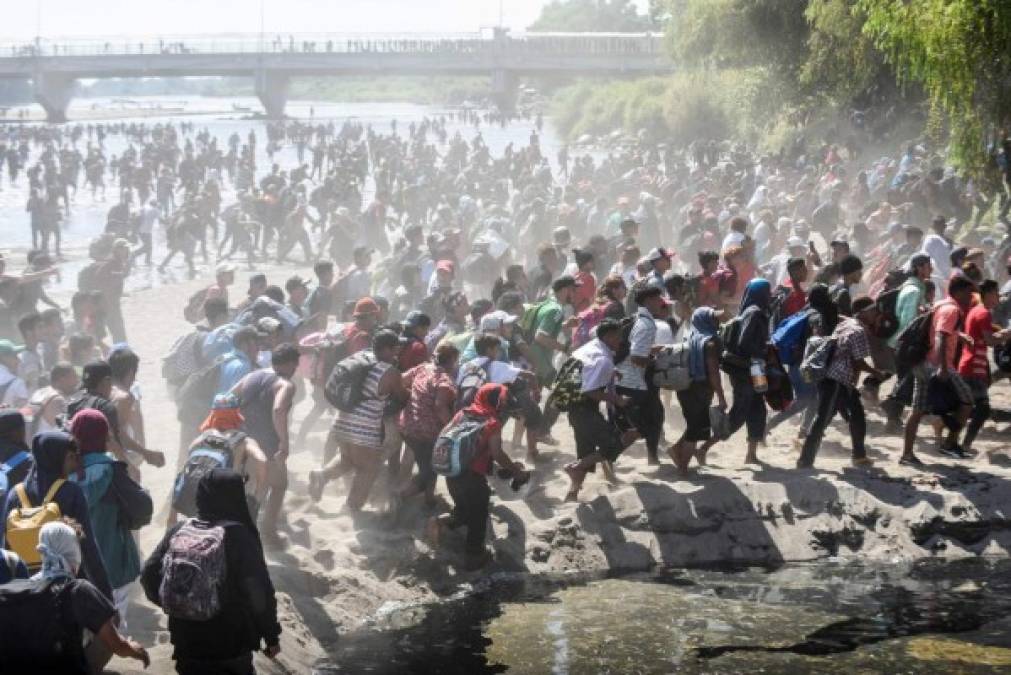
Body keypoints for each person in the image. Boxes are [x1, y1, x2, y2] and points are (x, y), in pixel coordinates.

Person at [141, 469, 282, 674]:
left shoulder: (181, 528)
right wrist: (271, 637)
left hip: (186, 642)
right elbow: (259, 593)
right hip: (231, 644)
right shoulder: (239, 536)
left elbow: (148, 575)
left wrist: (176, 603)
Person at [2, 520, 149, 673]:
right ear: (73, 552)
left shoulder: (20, 589)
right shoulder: (79, 591)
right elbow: (117, 646)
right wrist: (134, 650)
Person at [67, 409, 152, 638]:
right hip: (113, 562)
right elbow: (143, 507)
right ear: (105, 437)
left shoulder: (64, 470)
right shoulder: (112, 470)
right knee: (113, 622)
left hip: (74, 566)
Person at [427, 383, 529, 570]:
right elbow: (497, 453)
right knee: (479, 516)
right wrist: (516, 471)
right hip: (472, 478)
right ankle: (474, 556)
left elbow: (444, 434)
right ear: (495, 401)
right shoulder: (492, 422)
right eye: (503, 400)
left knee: (465, 511)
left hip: (453, 472)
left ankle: (440, 522)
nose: (504, 404)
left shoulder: (463, 413)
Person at [0, 431, 112, 600]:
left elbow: (5, 547)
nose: (75, 463)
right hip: (66, 590)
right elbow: (88, 548)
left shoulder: (15, 494)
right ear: (55, 458)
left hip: (26, 592)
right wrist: (106, 595)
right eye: (70, 457)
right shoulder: (71, 492)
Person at [308, 330, 409, 510]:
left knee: (348, 460)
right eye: (395, 348)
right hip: (364, 427)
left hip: (342, 421)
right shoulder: (390, 371)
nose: (397, 351)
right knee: (369, 468)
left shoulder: (362, 358)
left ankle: (321, 475)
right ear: (386, 349)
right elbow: (401, 397)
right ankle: (351, 509)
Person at [797, 297, 886, 469]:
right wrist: (877, 374)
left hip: (836, 379)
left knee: (855, 415)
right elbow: (857, 361)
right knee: (823, 418)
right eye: (873, 311)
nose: (876, 315)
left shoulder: (846, 323)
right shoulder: (858, 330)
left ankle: (859, 456)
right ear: (863, 312)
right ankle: (805, 460)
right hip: (835, 379)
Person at [903, 275, 977, 465]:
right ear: (959, 292)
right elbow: (941, 336)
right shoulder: (952, 309)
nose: (971, 297)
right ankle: (950, 444)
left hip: (924, 363)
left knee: (917, 410)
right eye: (969, 293)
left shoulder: (942, 305)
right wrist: (943, 367)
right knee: (967, 400)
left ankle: (907, 455)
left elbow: (941, 330)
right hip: (937, 365)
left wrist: (959, 336)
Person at [562, 319, 636, 501]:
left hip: (574, 408)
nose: (621, 341)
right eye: (618, 336)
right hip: (585, 409)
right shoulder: (603, 359)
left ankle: (572, 494)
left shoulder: (589, 348)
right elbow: (591, 391)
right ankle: (575, 467)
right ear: (608, 336)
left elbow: (586, 372)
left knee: (586, 452)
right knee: (615, 444)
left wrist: (611, 373)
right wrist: (617, 399)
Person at [232, 343, 298, 547]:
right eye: (295, 365)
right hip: (267, 444)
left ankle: (246, 532)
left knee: (249, 487)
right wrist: (284, 444)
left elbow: (230, 396)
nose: (295, 369)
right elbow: (278, 410)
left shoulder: (253, 375)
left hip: (242, 439)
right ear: (289, 364)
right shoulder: (285, 384)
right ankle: (267, 533)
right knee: (277, 485)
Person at [67, 360, 164, 470]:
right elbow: (114, 441)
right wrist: (130, 467)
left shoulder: (72, 403)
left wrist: (145, 453)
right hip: (99, 468)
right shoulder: (105, 407)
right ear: (106, 381)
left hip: (74, 467)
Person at [396, 343, 459, 507]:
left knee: (428, 465)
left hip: (407, 426)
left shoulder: (422, 368)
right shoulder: (445, 381)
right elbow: (440, 407)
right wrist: (454, 427)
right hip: (427, 433)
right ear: (452, 361)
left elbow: (400, 380)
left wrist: (412, 397)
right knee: (429, 470)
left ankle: (429, 499)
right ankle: (400, 498)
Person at [720, 278, 773, 465]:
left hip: (754, 367)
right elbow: (745, 342)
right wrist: (764, 350)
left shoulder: (752, 311)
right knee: (740, 411)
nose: (770, 295)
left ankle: (751, 455)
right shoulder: (756, 313)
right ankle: (703, 447)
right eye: (768, 291)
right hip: (749, 369)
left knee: (758, 408)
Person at [669, 308, 727, 473]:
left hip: (684, 388)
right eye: (714, 319)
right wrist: (721, 397)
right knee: (695, 430)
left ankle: (675, 451)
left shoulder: (690, 336)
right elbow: (713, 372)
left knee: (695, 424)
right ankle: (683, 468)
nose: (717, 322)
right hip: (700, 390)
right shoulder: (710, 342)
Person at [615, 285, 667, 465]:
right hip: (634, 381)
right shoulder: (646, 324)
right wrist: (655, 361)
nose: (661, 302)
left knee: (654, 416)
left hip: (627, 378)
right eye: (658, 299)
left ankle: (652, 457)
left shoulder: (638, 319)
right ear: (648, 301)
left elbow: (635, 349)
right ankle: (608, 454)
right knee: (648, 423)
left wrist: (653, 350)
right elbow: (637, 357)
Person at [958, 279, 1011, 453]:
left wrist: (1001, 333)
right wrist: (1006, 334)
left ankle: (945, 429)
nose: (999, 297)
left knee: (968, 406)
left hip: (972, 364)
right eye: (996, 293)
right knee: (982, 409)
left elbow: (986, 333)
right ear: (988, 294)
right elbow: (989, 341)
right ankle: (964, 444)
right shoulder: (983, 313)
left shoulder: (978, 311)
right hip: (973, 366)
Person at [0, 338, 29, 408]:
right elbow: (24, 412)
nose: (18, 360)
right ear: (4, 358)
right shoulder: (17, 383)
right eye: (15, 356)